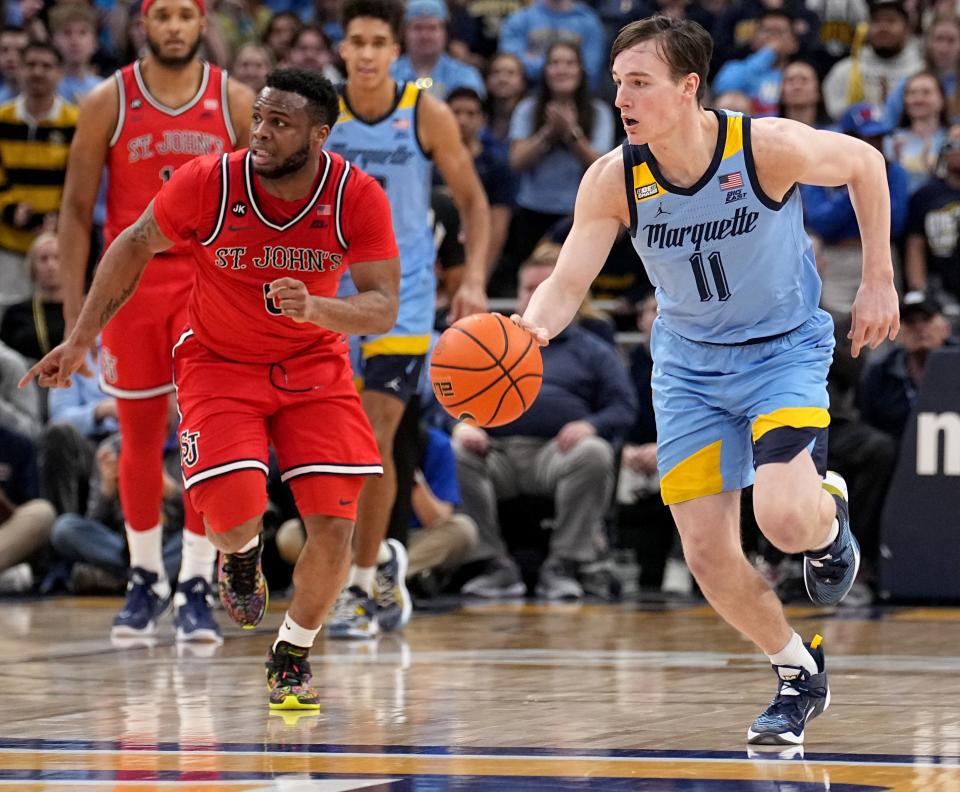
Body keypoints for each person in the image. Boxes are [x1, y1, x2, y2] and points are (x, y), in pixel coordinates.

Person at [512, 16, 899, 745]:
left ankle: (828, 516)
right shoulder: (614, 178)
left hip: (780, 350)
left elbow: (865, 166)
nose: (622, 97)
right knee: (707, 556)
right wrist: (530, 331)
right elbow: (567, 282)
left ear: (688, 87)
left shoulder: (763, 147)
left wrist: (879, 278)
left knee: (783, 521)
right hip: (687, 369)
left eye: (640, 83)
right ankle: (795, 673)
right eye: (619, 82)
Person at [22, 67, 402, 710]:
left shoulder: (355, 195)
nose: (260, 132)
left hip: (314, 368)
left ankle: (291, 654)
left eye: (280, 124)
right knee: (231, 520)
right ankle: (243, 555)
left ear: (320, 135)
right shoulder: (211, 181)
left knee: (336, 526)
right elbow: (135, 242)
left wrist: (316, 310)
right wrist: (82, 337)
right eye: (258, 117)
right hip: (220, 365)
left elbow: (383, 304)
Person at [56, 0, 255, 642]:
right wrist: (74, 316)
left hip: (207, 287)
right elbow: (75, 211)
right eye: (162, 14)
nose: (173, 26)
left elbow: (256, 207)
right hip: (132, 290)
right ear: (145, 23)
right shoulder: (106, 101)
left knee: (204, 436)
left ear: (203, 24)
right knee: (138, 435)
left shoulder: (235, 100)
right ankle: (145, 578)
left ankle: (196, 581)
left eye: (185, 15)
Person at [324, 0, 490, 639]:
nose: (366, 53)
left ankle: (361, 585)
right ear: (343, 48)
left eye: (377, 43)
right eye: (356, 42)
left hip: (405, 295)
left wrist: (472, 277)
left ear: (396, 51)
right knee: (338, 445)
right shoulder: (322, 115)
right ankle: (380, 559)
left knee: (374, 436)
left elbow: (473, 203)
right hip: (331, 295)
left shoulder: (425, 112)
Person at [456, 243, 636, 599]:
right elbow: (448, 399)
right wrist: (462, 424)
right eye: (527, 289)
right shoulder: (490, 344)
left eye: (544, 288)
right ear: (517, 294)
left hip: (556, 455)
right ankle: (494, 565)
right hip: (497, 453)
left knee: (595, 453)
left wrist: (592, 425)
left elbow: (624, 407)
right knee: (455, 451)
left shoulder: (592, 349)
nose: (535, 296)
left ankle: (564, 565)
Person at [0, 41, 77, 313]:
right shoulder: (2, 118)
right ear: (19, 69)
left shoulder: (75, 121)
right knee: (6, 319)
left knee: (56, 322)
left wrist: (59, 216)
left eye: (46, 66)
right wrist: (10, 210)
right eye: (31, 65)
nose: (38, 72)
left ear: (59, 72)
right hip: (8, 243)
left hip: (57, 245)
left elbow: (79, 178)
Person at [905, 126, 960, 299]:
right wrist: (918, 291)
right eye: (952, 144)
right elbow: (915, 246)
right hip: (941, 291)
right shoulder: (925, 195)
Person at [391, 0, 486, 100]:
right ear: (404, 32)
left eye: (432, 28)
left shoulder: (465, 76)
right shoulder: (389, 73)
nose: (425, 36)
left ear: (445, 32)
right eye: (417, 28)